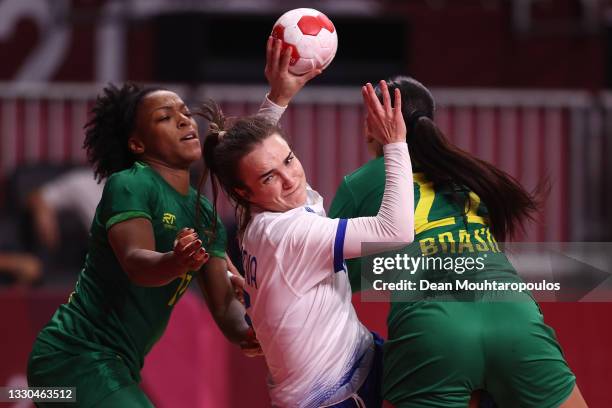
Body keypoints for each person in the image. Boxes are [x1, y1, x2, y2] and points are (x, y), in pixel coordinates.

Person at [328, 76, 587, 408]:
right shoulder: (469, 175)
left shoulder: (361, 184)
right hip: (514, 317)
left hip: (433, 330)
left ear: (370, 127)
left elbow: (326, 278)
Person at [200, 37, 415, 406]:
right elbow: (394, 230)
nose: (290, 178)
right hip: (334, 396)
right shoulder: (293, 233)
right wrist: (395, 143)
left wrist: (277, 97)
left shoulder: (255, 210)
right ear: (246, 192)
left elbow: (251, 156)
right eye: (270, 177)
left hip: (358, 359)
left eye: (289, 159)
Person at [26, 82, 258, 407]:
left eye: (185, 113)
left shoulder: (204, 215)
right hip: (73, 357)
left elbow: (223, 306)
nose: (184, 121)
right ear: (137, 143)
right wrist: (176, 262)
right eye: (165, 117)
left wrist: (253, 330)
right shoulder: (130, 184)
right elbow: (136, 263)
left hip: (118, 367)